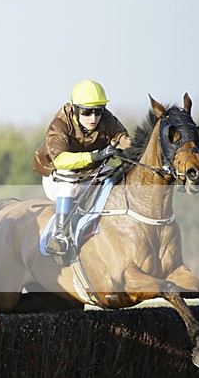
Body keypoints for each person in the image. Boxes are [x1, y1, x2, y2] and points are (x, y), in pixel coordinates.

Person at [32, 79, 133, 255]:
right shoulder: (60, 124)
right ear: (75, 109)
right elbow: (61, 160)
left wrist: (126, 150)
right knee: (70, 184)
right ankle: (60, 235)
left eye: (98, 111)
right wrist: (97, 155)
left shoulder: (107, 119)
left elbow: (125, 140)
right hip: (56, 175)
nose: (93, 118)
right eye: (86, 112)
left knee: (118, 177)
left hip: (90, 173)